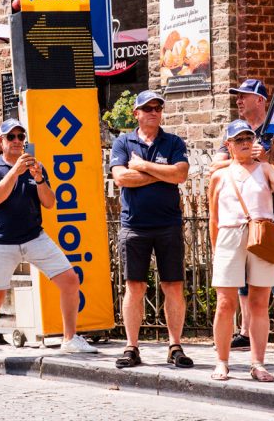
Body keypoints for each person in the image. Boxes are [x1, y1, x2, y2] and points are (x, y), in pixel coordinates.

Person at [0, 118, 97, 376]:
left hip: (34, 237)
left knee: (70, 280)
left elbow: (50, 202)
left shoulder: (35, 167)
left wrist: (40, 179)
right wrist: (15, 172)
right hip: (2, 241)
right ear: (1, 142)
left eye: (21, 137)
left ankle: (69, 338)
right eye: (11, 137)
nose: (17, 141)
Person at [210, 79, 274, 358]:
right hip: (237, 222)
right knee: (241, 284)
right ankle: (244, 332)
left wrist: (269, 159)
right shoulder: (233, 134)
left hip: (268, 219)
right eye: (238, 97)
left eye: (244, 96)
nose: (239, 101)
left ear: (261, 100)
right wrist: (243, 158)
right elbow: (217, 165)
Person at [109, 90, 192, 369]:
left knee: (173, 286)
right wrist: (161, 173)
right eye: (147, 108)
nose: (154, 112)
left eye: (157, 107)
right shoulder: (123, 141)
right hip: (134, 225)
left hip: (168, 223)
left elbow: (180, 174)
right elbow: (121, 178)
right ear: (136, 114)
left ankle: (175, 346)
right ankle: (132, 346)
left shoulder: (173, 141)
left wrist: (143, 167)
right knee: (135, 287)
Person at [208, 120, 274, 382]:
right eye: (239, 139)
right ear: (229, 145)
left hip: (261, 234)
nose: (245, 143)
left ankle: (258, 362)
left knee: (259, 302)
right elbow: (213, 217)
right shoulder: (220, 175)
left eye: (249, 138)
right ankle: (222, 361)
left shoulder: (265, 168)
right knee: (225, 303)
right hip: (229, 234)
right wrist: (215, 250)